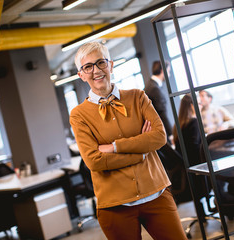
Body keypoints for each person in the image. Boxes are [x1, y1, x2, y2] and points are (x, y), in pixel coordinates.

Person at [69, 42, 187, 240]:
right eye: (88, 67)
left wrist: (114, 147)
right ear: (81, 75)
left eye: (100, 63)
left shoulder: (137, 97)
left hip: (156, 193)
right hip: (115, 206)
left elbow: (158, 137)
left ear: (111, 65)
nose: (96, 70)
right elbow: (94, 161)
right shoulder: (78, 115)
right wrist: (141, 151)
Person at [144, 60, 173, 143]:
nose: (169, 74)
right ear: (162, 70)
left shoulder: (151, 85)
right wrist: (171, 135)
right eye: (168, 71)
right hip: (159, 132)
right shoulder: (154, 88)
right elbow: (161, 113)